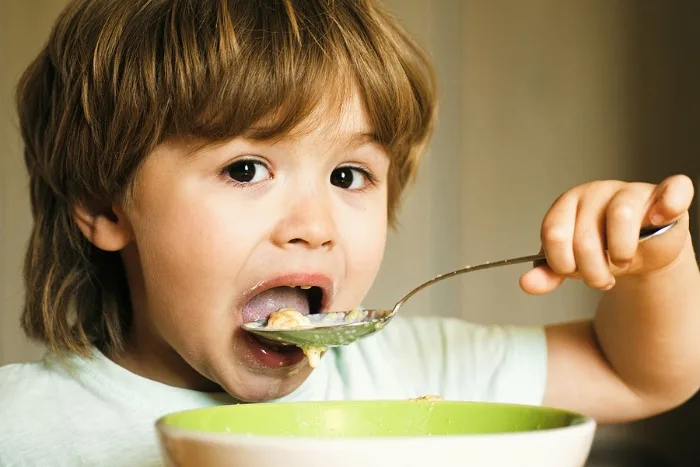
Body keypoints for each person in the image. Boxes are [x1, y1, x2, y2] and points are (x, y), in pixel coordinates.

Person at [1, 1, 699, 465]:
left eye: (347, 176)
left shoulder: (418, 376)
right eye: (246, 168)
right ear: (105, 204)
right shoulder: (21, 427)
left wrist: (654, 264)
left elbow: (635, 373)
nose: (315, 228)